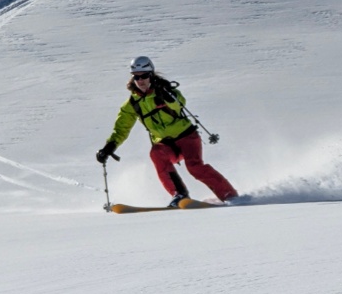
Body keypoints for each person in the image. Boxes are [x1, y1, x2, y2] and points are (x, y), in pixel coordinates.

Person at [96, 56, 238, 207]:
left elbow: (180, 104)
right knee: (156, 153)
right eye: (136, 77)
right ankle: (180, 195)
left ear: (151, 75)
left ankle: (229, 195)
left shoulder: (165, 90)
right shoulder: (132, 104)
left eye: (144, 76)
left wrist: (167, 96)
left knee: (194, 167)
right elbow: (121, 128)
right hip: (166, 144)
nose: (141, 80)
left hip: (187, 137)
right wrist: (109, 147)